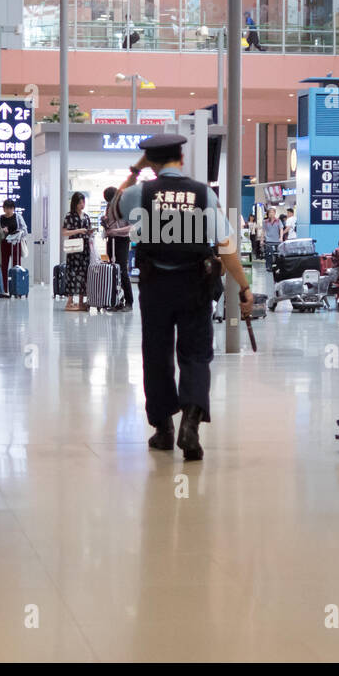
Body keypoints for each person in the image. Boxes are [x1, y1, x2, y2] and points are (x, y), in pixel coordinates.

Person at [113, 134, 254, 462]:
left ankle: (163, 429)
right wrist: (244, 287)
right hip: (195, 284)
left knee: (157, 355)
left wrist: (135, 171)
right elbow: (226, 245)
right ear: (181, 157)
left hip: (155, 286)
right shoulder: (203, 194)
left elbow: (114, 206)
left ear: (152, 162)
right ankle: (190, 423)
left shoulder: (140, 193)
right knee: (195, 355)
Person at [101, 186, 134, 311]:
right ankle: (116, 301)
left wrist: (116, 231)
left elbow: (131, 227)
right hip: (111, 241)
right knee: (112, 271)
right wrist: (105, 222)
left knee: (122, 271)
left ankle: (129, 302)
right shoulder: (109, 207)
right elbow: (108, 222)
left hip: (122, 241)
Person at [61, 192, 94, 312]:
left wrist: (89, 232)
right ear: (74, 203)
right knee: (72, 273)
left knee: (83, 274)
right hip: (74, 249)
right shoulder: (69, 216)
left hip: (84, 249)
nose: (82, 205)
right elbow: (64, 232)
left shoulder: (86, 216)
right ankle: (70, 301)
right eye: (80, 203)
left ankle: (81, 301)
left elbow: (88, 230)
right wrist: (79, 230)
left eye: (83, 202)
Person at [0, 199, 28, 297]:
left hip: (16, 243)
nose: (8, 211)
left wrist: (19, 233)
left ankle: (17, 288)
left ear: (13, 209)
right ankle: (4, 289)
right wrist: (2, 231)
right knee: (4, 266)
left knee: (16, 265)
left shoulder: (18, 217)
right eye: (6, 208)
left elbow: (25, 230)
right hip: (4, 243)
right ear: (3, 209)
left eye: (10, 208)